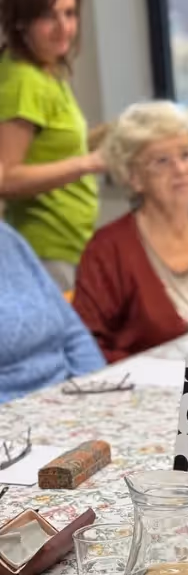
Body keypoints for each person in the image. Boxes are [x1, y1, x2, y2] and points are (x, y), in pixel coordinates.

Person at [73, 101, 188, 362]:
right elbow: (88, 345)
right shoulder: (107, 250)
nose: (180, 170)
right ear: (134, 177)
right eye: (162, 161)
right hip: (146, 383)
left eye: (186, 155)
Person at [0, 0, 106, 291]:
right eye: (49, 16)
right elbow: (6, 178)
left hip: (69, 245)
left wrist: (110, 138)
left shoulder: (47, 70)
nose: (64, 28)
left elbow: (51, 149)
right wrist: (88, 163)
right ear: (21, 21)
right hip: (46, 250)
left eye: (70, 14)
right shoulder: (24, 80)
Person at [0, 158, 104, 404]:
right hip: (17, 413)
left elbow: (73, 332)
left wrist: (96, 391)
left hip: (69, 399)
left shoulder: (8, 238)